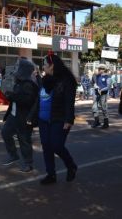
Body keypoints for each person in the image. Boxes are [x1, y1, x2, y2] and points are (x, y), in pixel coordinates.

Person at [38, 53, 78, 185]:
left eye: (45, 65)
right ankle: (51, 174)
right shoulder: (46, 79)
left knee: (56, 145)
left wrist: (68, 120)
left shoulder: (67, 80)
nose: (43, 67)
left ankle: (71, 165)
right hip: (44, 118)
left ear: (52, 66)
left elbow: (69, 101)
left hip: (59, 118)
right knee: (46, 146)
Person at [1, 57, 39, 173]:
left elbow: (27, 100)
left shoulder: (28, 84)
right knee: (5, 133)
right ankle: (13, 155)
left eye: (18, 67)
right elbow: (16, 97)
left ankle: (28, 163)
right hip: (14, 115)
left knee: (24, 140)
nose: (15, 68)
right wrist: (9, 95)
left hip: (24, 117)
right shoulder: (19, 83)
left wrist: (12, 96)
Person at [91, 64, 111, 129]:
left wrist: (101, 90)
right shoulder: (97, 76)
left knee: (104, 107)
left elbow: (108, 87)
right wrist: (95, 86)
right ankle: (96, 121)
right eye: (99, 68)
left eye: (101, 68)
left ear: (104, 69)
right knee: (94, 107)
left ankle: (106, 122)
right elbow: (94, 83)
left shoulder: (107, 77)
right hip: (96, 93)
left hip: (103, 94)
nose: (100, 69)